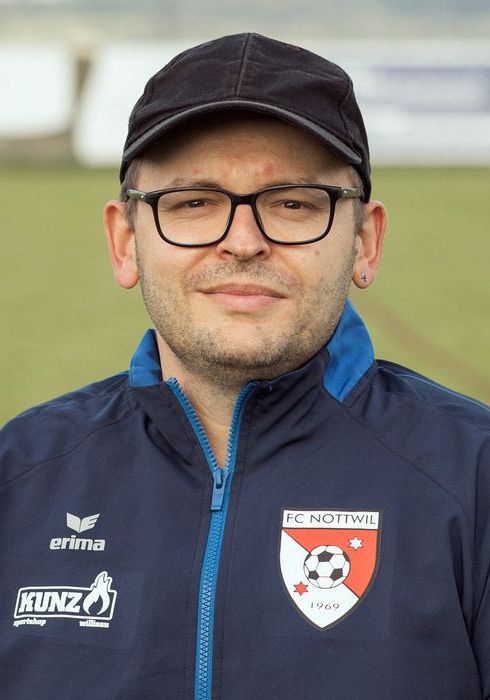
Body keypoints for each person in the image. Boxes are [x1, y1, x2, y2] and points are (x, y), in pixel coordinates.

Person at [0, 32, 488, 700]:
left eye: (293, 202)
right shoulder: (19, 476)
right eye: (193, 202)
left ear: (365, 241)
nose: (243, 241)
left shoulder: (473, 479)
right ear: (125, 242)